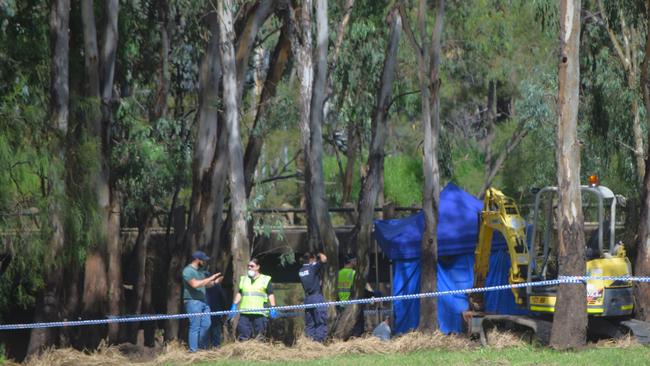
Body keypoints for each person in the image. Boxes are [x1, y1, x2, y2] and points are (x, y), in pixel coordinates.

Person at [182, 250, 223, 352]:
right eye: (203, 260)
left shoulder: (200, 271)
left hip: (204, 302)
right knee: (195, 326)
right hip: (193, 302)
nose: (205, 262)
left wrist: (215, 282)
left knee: (207, 324)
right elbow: (195, 284)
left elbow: (206, 285)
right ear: (197, 260)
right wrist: (210, 278)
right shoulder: (188, 271)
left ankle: (202, 348)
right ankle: (193, 350)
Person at [229, 258, 277, 340]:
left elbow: (270, 294)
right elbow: (240, 293)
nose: (249, 268)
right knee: (243, 336)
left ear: (258, 267)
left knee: (260, 337)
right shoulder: (244, 279)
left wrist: (273, 307)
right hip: (245, 313)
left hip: (260, 313)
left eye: (252, 266)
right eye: (248, 266)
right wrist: (234, 305)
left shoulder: (265, 279)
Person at [298, 252, 328, 342]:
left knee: (310, 323)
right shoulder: (312, 268)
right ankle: (319, 343)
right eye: (314, 259)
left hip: (307, 299)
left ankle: (309, 342)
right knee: (320, 321)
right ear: (311, 259)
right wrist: (319, 254)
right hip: (316, 297)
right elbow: (324, 259)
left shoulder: (301, 270)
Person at [205, 273, 228, 348]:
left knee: (209, 330)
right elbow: (223, 299)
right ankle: (216, 347)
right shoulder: (216, 286)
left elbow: (223, 299)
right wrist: (225, 311)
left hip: (213, 312)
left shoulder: (201, 287)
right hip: (215, 312)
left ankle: (207, 347)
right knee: (215, 331)